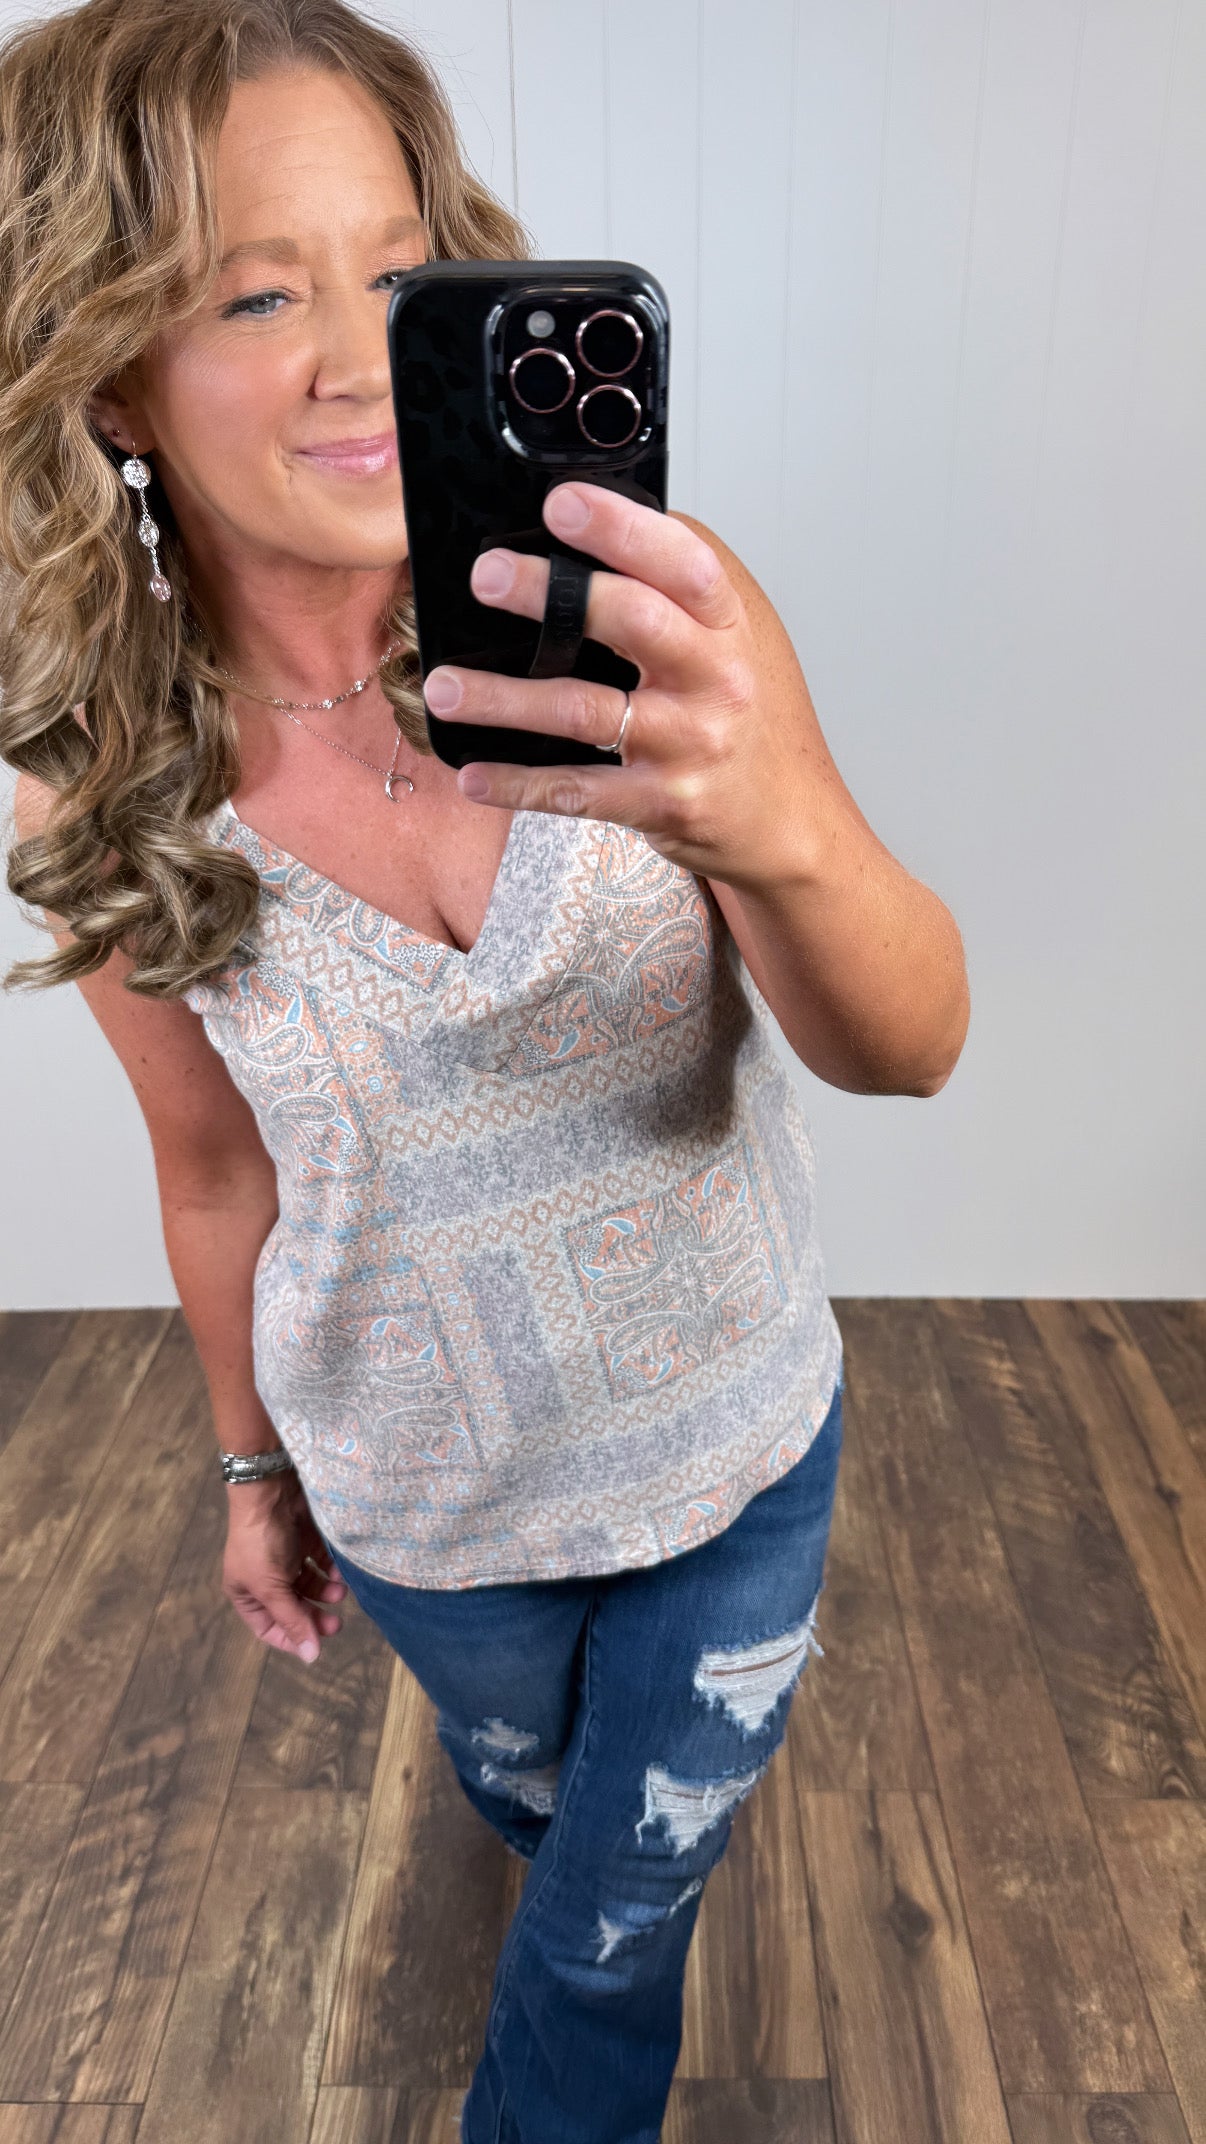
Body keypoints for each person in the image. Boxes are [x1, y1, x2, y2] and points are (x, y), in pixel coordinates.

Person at [0, 3, 970, 2138]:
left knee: (609, 1936)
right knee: (539, 1813)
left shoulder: (648, 624)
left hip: (727, 1448)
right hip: (431, 1515)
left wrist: (775, 827)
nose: (359, 356)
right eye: (254, 294)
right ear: (111, 375)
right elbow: (213, 1169)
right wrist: (250, 1471)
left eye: (398, 265)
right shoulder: (105, 782)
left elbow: (909, 1047)